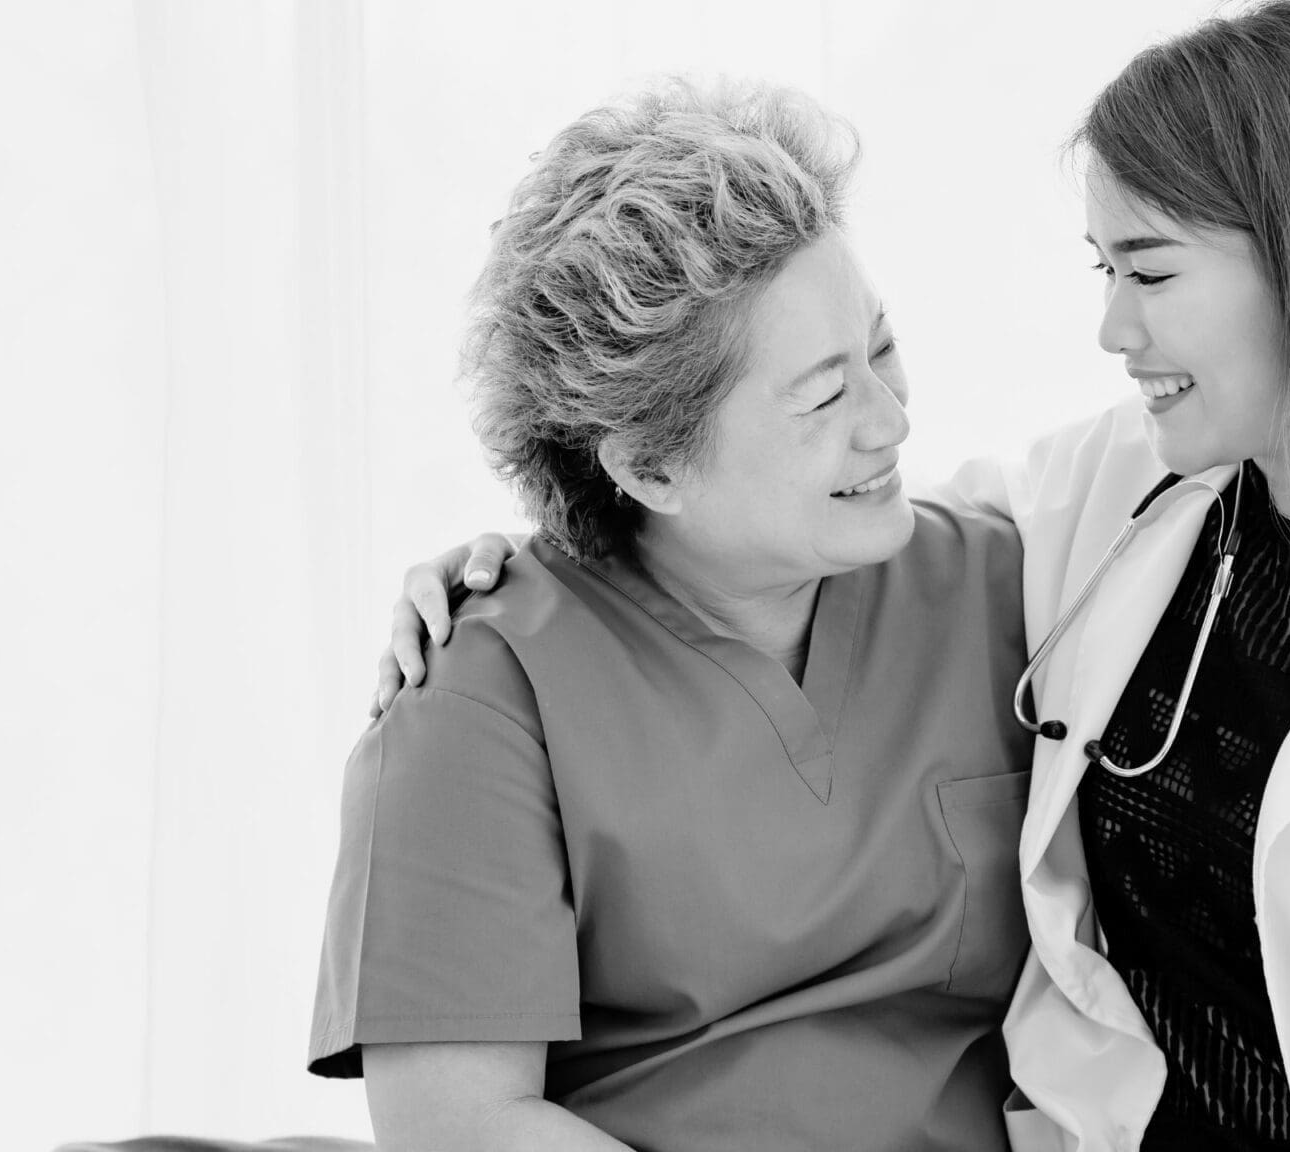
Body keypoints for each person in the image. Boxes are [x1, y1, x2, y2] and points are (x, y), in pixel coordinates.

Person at [380, 4, 1290, 1150]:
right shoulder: (1103, 511)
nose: (1109, 328)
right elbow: (741, 541)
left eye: (1147, 269)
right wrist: (529, 562)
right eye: (1102, 269)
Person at [310, 80, 1035, 1152]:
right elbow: (457, 1123)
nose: (889, 419)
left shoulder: (1009, 587)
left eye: (878, 349)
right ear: (651, 463)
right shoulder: (477, 689)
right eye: (822, 395)